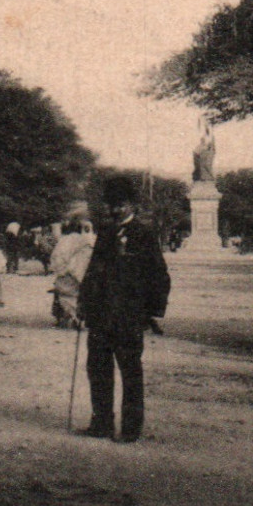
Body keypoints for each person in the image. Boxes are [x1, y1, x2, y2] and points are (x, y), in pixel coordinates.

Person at [79, 176, 171, 443]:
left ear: (132, 205)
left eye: (121, 205)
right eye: (111, 205)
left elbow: (160, 275)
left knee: (131, 372)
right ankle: (102, 423)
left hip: (129, 317)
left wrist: (153, 312)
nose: (116, 210)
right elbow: (93, 271)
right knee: (98, 369)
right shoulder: (105, 233)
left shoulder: (144, 234)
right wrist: (85, 303)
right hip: (101, 316)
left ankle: (130, 429)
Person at [49, 218, 96, 329]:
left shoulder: (66, 240)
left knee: (67, 295)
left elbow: (57, 256)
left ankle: (72, 317)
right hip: (81, 271)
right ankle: (76, 318)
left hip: (69, 272)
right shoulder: (90, 239)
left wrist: (62, 269)